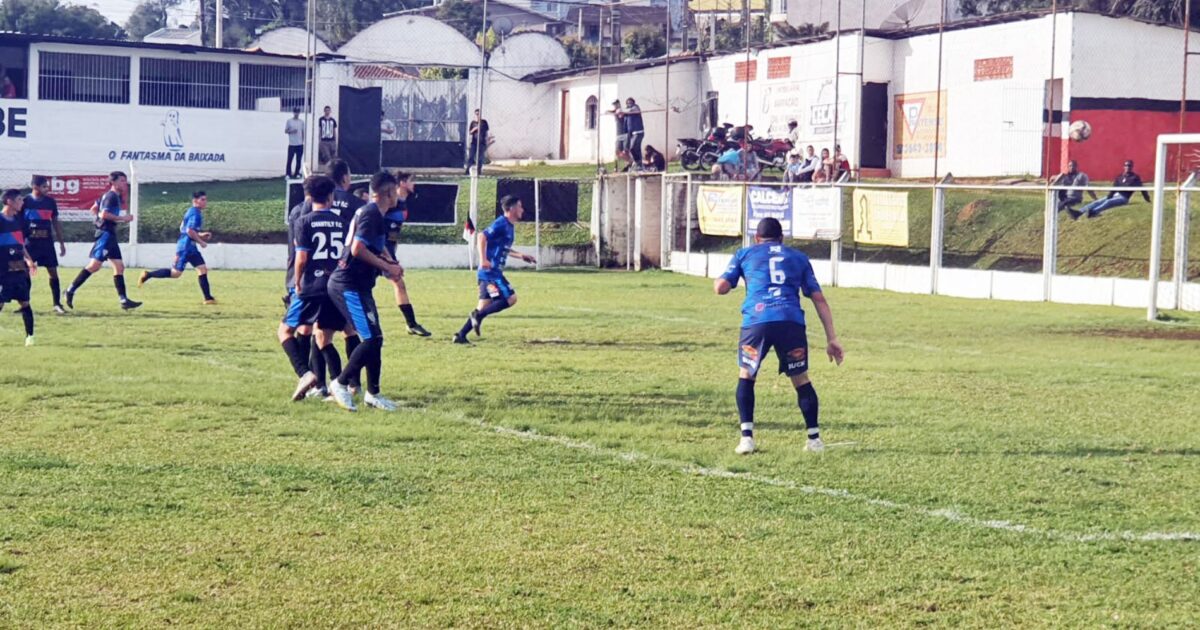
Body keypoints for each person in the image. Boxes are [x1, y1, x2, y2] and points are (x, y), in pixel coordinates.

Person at [714, 217, 844, 455]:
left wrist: (722, 281)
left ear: (757, 238)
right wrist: (831, 338)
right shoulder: (798, 257)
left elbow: (721, 288)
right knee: (801, 378)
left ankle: (747, 439)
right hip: (790, 321)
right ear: (782, 238)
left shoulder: (744, 254)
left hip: (757, 322)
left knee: (747, 374)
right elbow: (818, 299)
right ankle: (814, 440)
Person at [326, 170, 406, 412]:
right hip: (348, 285)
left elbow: (375, 247)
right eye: (396, 191)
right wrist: (387, 268)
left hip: (360, 285)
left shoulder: (372, 213)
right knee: (370, 339)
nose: (398, 196)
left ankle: (373, 394)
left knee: (376, 338)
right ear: (389, 193)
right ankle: (339, 383)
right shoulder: (371, 214)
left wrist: (391, 262)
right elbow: (358, 249)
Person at [278, 176, 340, 402]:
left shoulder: (303, 221)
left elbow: (301, 257)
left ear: (309, 197)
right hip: (333, 286)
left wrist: (297, 280)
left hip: (311, 287)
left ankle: (304, 374)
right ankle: (339, 385)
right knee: (324, 336)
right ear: (331, 196)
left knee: (284, 331)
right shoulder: (341, 222)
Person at [453, 195, 536, 345]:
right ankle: (477, 316)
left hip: (489, 272)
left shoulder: (509, 226)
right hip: (492, 272)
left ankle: (461, 335)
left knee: (484, 305)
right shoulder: (501, 223)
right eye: (520, 206)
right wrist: (483, 259)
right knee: (510, 299)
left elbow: (503, 248)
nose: (522, 209)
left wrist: (521, 255)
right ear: (511, 208)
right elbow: (481, 237)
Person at [64, 171, 141, 311]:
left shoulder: (111, 196)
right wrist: (123, 218)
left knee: (119, 267)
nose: (125, 183)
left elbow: (94, 209)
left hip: (110, 234)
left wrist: (98, 220)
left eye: (125, 180)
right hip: (106, 235)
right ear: (114, 182)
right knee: (94, 266)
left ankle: (123, 300)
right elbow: (104, 213)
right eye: (122, 181)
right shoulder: (111, 196)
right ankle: (70, 290)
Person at [137, 191, 216, 304]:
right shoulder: (195, 214)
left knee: (202, 269)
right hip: (185, 248)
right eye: (202, 199)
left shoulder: (192, 212)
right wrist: (201, 241)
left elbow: (185, 230)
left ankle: (208, 298)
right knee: (175, 273)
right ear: (195, 201)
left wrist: (201, 235)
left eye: (205, 199)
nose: (205, 202)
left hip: (191, 248)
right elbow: (189, 231)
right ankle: (148, 275)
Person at [384, 171, 431, 337]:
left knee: (398, 284)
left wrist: (393, 247)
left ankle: (411, 324)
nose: (414, 184)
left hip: (388, 249)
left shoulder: (403, 202)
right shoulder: (391, 202)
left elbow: (394, 228)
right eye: (411, 181)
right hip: (378, 250)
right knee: (397, 283)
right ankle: (411, 324)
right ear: (402, 183)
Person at [22, 175, 66, 314]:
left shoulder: (50, 202)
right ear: (35, 187)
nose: (47, 189)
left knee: (53, 272)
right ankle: (25, 304)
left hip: (46, 243)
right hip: (30, 243)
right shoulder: (25, 201)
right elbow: (18, 222)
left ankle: (57, 303)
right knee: (24, 273)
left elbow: (55, 222)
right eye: (44, 186)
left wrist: (61, 243)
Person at [0, 189, 36, 346]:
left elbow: (20, 243)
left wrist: (28, 259)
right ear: (9, 201)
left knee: (25, 302)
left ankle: (30, 336)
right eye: (20, 200)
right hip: (3, 268)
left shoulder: (18, 220)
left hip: (18, 268)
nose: (22, 203)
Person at [1078, 159, 1151, 219]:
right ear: (1123, 167)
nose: (1127, 167)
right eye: (1126, 165)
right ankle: (1078, 212)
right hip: (1116, 194)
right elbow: (1114, 188)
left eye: (1129, 165)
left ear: (1132, 167)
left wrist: (1147, 198)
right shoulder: (1119, 176)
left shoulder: (1135, 177)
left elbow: (1142, 188)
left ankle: (1093, 212)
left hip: (1124, 198)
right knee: (1098, 201)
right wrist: (1109, 196)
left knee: (1108, 202)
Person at [465, 109, 490, 174]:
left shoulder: (484, 122)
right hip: (474, 142)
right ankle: (468, 170)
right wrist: (475, 129)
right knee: (471, 156)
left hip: (482, 143)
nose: (477, 116)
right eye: (476, 114)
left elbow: (486, 132)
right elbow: (470, 132)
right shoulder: (473, 123)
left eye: (478, 114)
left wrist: (487, 141)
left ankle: (479, 171)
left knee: (480, 158)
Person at [624, 98, 645, 167]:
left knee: (632, 148)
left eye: (630, 103)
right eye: (627, 103)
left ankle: (638, 162)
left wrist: (622, 111)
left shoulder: (636, 107)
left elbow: (630, 110)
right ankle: (639, 163)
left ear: (633, 103)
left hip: (639, 132)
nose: (628, 104)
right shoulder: (627, 113)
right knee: (636, 149)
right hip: (633, 133)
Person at [609, 100, 628, 171]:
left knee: (622, 151)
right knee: (618, 151)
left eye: (615, 104)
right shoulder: (616, 111)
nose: (614, 106)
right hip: (619, 134)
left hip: (622, 134)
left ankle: (627, 164)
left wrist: (617, 114)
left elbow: (620, 114)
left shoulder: (620, 111)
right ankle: (616, 167)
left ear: (618, 104)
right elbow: (614, 111)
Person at [284, 107, 304, 178]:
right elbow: (286, 131)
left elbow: (302, 132)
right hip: (292, 144)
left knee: (298, 160)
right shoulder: (289, 121)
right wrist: (292, 131)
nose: (296, 113)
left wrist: (302, 141)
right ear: (293, 112)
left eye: (298, 112)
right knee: (289, 159)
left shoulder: (301, 122)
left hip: (300, 144)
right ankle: (288, 174)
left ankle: (297, 173)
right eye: (295, 112)